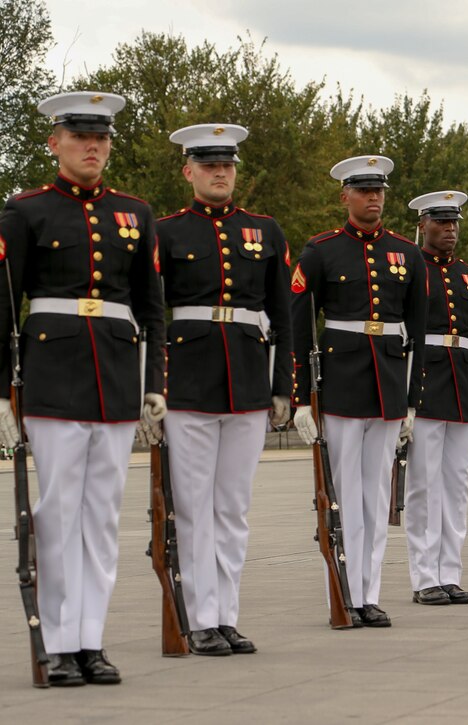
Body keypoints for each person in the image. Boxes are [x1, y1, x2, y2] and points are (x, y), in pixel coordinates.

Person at [0, 91, 165, 685]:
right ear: (55, 143)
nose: (93, 147)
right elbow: (3, 301)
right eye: (80, 137)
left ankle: (90, 639)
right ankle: (57, 640)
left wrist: (153, 383)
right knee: (58, 509)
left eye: (101, 139)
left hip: (116, 377)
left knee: (100, 515)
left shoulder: (135, 213)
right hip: (52, 376)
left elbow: (150, 307)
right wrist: (1, 391)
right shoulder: (26, 210)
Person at [157, 123, 293, 654]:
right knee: (192, 506)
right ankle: (198, 617)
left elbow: (281, 315)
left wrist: (283, 387)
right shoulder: (166, 232)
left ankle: (226, 614)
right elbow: (151, 312)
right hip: (189, 382)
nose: (219, 173)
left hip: (248, 381)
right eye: (209, 165)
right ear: (188, 170)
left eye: (227, 165)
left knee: (232, 507)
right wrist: (156, 385)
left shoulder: (265, 231)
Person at [291, 155, 426, 627]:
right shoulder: (321, 251)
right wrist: (300, 394)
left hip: (388, 382)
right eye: (364, 190)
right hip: (342, 381)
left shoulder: (406, 254)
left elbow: (418, 329)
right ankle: (344, 590)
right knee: (345, 494)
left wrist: (412, 399)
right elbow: (300, 323)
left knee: (376, 499)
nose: (373, 198)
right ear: (344, 195)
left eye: (379, 191)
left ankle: (369, 593)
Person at [403, 190, 468, 605]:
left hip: (465, 390)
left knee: (457, 487)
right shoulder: (408, 269)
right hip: (425, 388)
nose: (449, 230)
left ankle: (450, 572)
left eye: (454, 223)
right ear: (422, 225)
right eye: (441, 222)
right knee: (424, 487)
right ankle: (425, 576)